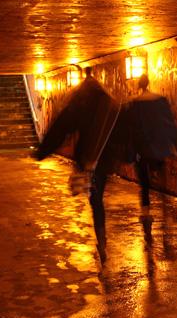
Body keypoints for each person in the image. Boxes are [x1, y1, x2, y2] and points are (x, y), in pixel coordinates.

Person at [35, 67, 122, 264]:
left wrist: (43, 151)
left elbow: (61, 127)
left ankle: (101, 241)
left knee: (95, 200)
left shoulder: (80, 102)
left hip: (87, 158)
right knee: (98, 198)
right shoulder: (109, 103)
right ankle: (102, 241)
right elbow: (121, 130)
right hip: (105, 159)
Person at [119, 74, 177, 221]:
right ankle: (164, 207)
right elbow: (170, 123)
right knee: (161, 175)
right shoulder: (160, 101)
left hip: (141, 150)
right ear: (149, 83)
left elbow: (128, 129)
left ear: (139, 85)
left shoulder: (134, 104)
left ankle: (146, 212)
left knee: (144, 183)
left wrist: (128, 151)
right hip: (159, 148)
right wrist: (176, 145)